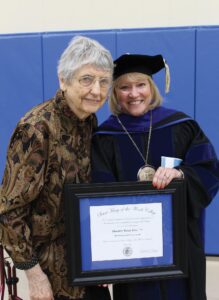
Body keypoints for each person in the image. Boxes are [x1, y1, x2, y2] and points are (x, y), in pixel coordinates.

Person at [91, 53, 219, 300]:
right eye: (124, 87)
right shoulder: (105, 137)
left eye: (141, 85)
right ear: (115, 94)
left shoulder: (181, 126)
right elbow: (99, 193)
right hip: (131, 247)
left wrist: (181, 173)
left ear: (152, 87)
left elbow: (209, 169)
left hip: (179, 242)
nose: (134, 93)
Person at [0, 35, 114, 300]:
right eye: (86, 79)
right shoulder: (37, 129)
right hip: (52, 277)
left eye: (103, 81)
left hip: (88, 269)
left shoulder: (88, 121)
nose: (96, 90)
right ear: (64, 80)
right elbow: (8, 210)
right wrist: (34, 276)